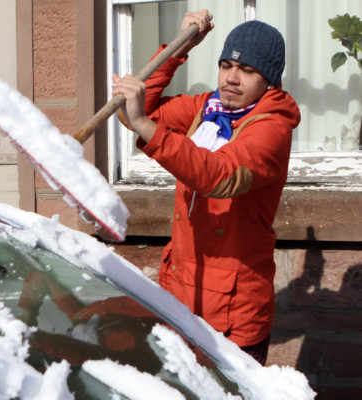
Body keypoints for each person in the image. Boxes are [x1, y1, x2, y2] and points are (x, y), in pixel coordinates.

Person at [112, 9, 300, 365]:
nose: (232, 77)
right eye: (227, 64)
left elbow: (220, 176)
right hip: (181, 290)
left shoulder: (272, 128)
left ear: (270, 81)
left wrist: (140, 121)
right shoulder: (206, 108)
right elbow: (135, 112)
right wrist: (179, 49)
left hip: (233, 312)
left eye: (247, 70)